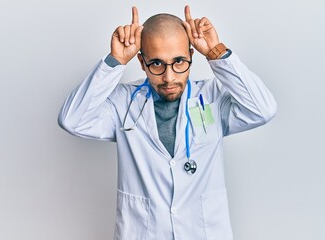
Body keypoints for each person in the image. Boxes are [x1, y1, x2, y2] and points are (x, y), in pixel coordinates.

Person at [58, 5, 277, 240]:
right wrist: (115, 61)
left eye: (179, 61)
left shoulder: (211, 98)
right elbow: (72, 119)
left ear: (192, 56)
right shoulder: (123, 102)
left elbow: (263, 109)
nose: (169, 76)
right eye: (157, 64)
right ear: (142, 63)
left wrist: (216, 52)